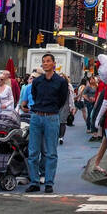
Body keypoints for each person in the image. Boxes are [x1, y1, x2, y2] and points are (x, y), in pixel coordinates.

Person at [25, 53, 69, 194]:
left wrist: (52, 110)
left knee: (51, 152)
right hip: (36, 116)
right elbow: (35, 95)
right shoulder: (38, 81)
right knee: (33, 152)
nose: (45, 63)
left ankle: (49, 182)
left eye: (48, 61)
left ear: (54, 64)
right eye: (43, 61)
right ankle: (34, 182)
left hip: (51, 117)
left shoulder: (61, 82)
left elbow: (62, 100)